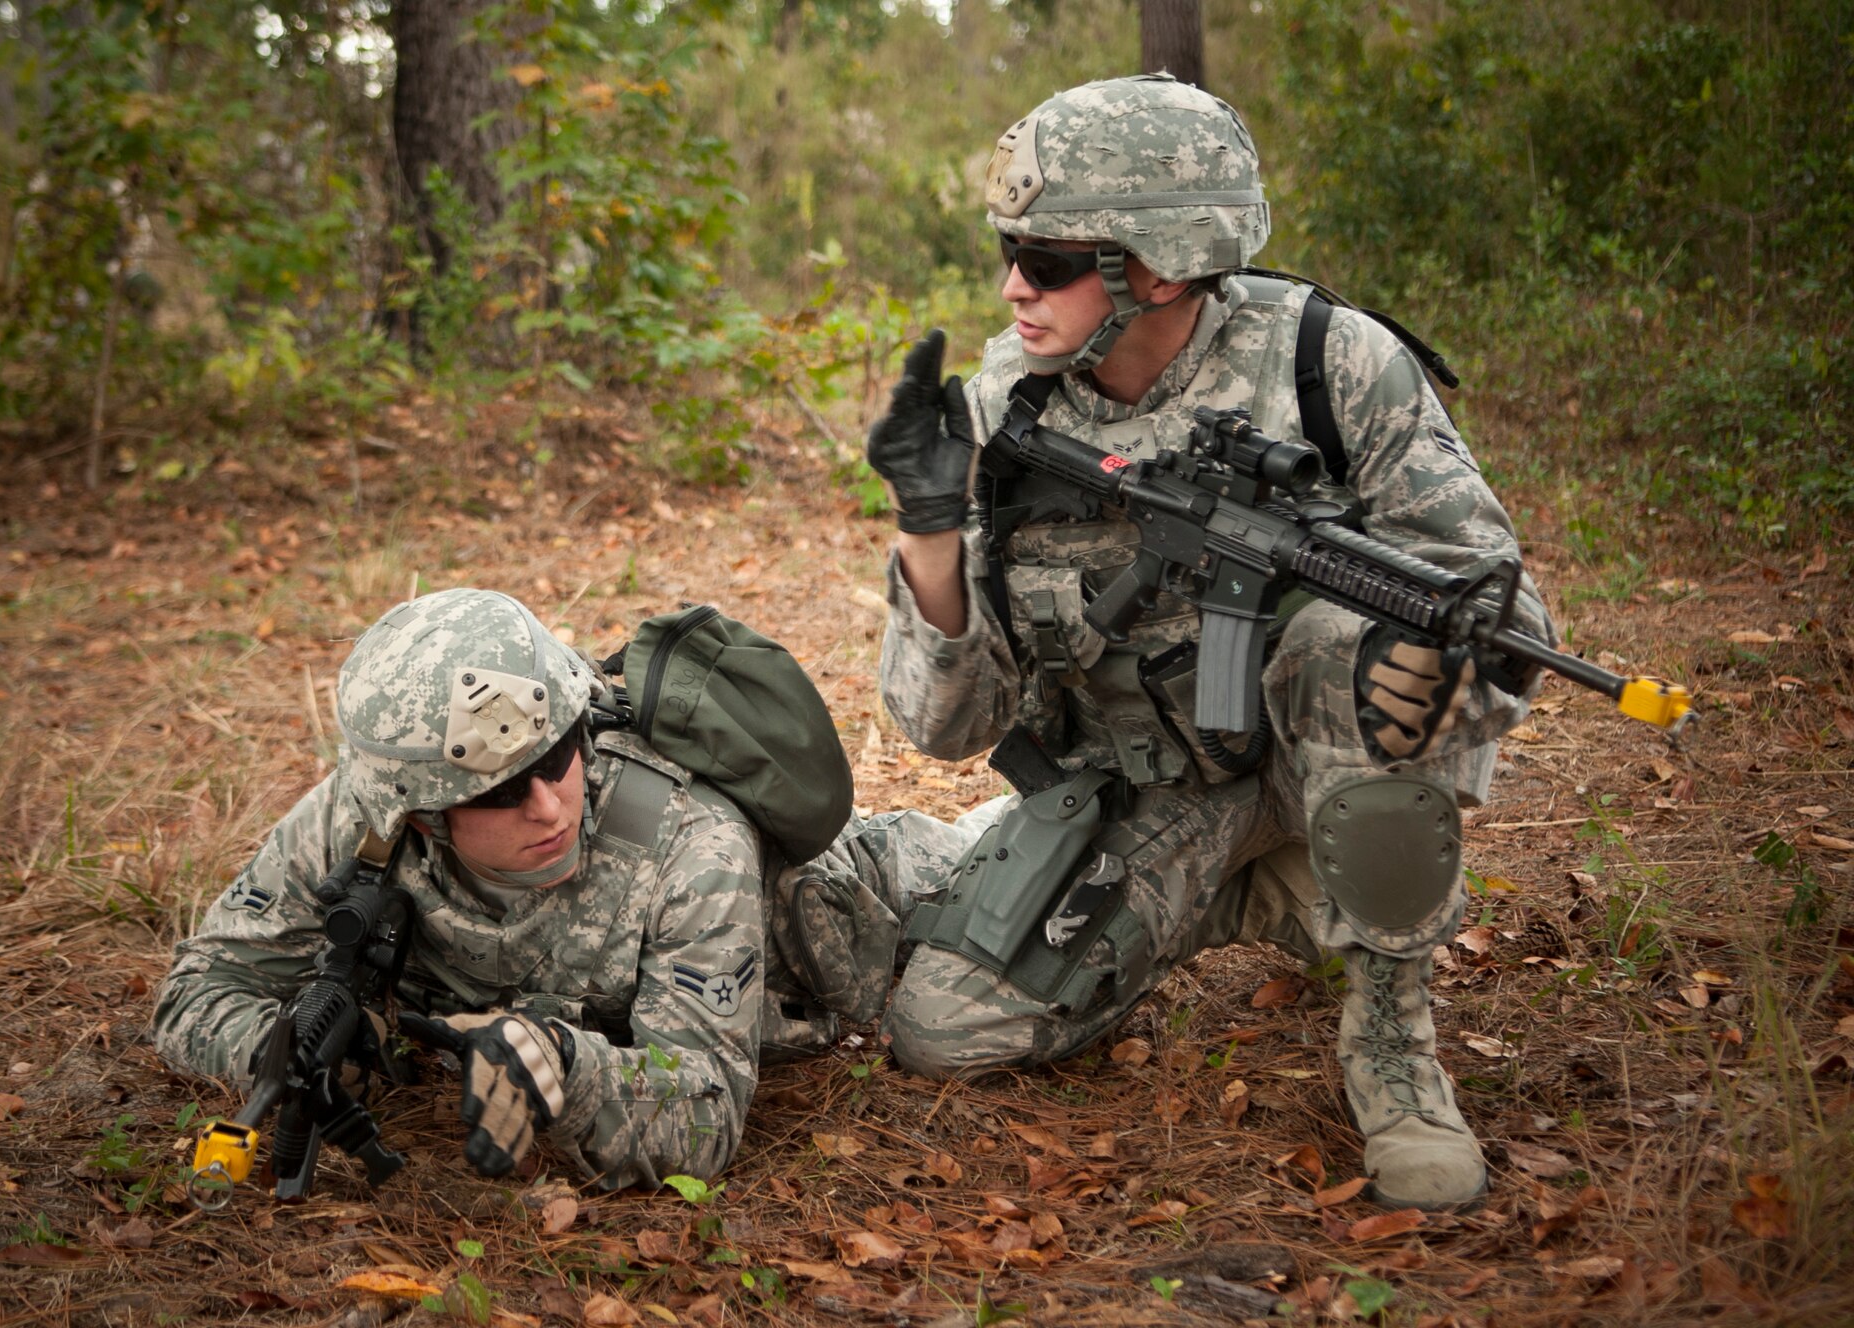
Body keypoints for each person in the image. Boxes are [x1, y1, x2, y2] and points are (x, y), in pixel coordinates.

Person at [863, 74, 1552, 1211]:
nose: (1010, 287)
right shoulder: (1007, 410)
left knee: (1351, 633)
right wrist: (928, 537)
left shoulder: (1332, 369)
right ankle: (1263, 893)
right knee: (944, 1024)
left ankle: (1390, 1040)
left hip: (1309, 755)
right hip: (1150, 787)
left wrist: (1425, 674)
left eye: (1045, 259)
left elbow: (1506, 619)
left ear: (1158, 267)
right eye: (1006, 249)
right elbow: (945, 727)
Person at [153, 588, 978, 1192]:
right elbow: (199, 988)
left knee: (987, 868)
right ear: (421, 818)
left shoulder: (689, 839)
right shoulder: (359, 819)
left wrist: (562, 1070)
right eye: (500, 794)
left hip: (863, 898)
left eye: (556, 759)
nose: (548, 805)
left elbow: (708, 1108)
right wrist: (289, 1049)